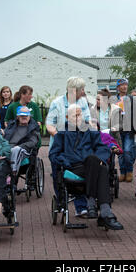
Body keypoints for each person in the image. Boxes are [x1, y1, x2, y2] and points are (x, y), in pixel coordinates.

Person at [49, 104, 124, 230]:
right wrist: (66, 162)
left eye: (80, 114)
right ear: (67, 117)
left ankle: (92, 203)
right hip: (74, 167)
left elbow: (102, 148)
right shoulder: (61, 133)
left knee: (95, 161)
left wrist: (98, 159)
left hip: (91, 166)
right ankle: (106, 213)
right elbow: (53, 155)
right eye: (75, 115)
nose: (79, 117)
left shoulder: (90, 131)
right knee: (101, 169)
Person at [46, 77, 91, 217]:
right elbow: (49, 123)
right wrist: (61, 136)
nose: (84, 92)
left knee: (78, 173)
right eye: (81, 89)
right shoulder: (57, 103)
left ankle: (80, 206)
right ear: (73, 90)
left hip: (77, 145)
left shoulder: (83, 102)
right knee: (58, 173)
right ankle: (61, 201)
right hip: (60, 145)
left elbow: (87, 121)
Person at [111, 78, 136, 183]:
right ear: (118, 87)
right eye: (122, 85)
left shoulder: (132, 99)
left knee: (128, 151)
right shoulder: (113, 99)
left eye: (126, 85)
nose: (124, 87)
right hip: (117, 130)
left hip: (129, 130)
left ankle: (129, 171)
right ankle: (123, 172)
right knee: (120, 152)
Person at [4, 106, 40, 176]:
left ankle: (13, 173)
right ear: (18, 117)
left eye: (26, 115)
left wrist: (18, 147)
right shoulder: (11, 125)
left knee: (16, 149)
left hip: (24, 150)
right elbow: (4, 137)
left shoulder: (34, 127)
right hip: (8, 148)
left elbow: (33, 142)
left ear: (29, 117)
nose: (24, 117)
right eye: (22, 115)